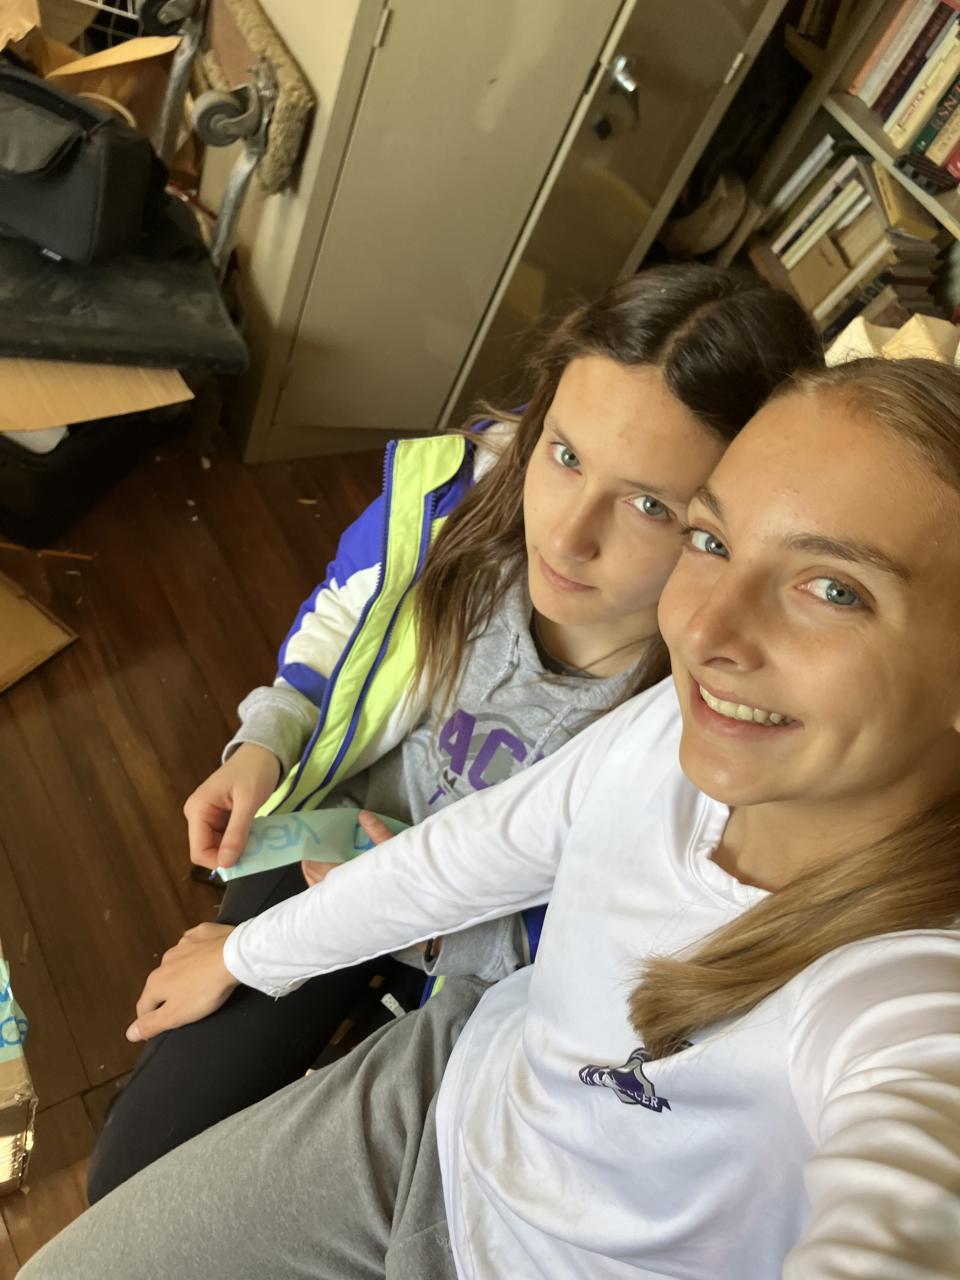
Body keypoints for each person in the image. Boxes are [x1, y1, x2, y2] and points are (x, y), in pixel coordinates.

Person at [25, 356, 960, 1280]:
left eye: (834, 590)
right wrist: (251, 913)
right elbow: (468, 842)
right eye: (713, 542)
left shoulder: (910, 997)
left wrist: (428, 943)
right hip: (443, 1090)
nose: (707, 633)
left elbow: (910, 1183)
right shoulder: (643, 712)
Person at [86, 264, 823, 1202]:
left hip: (480, 974)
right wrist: (268, 740)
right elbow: (343, 617)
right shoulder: (450, 503)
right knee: (133, 1171)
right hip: (330, 850)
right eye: (564, 455)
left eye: (651, 507)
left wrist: (437, 945)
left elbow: (624, 967)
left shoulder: (719, 728)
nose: (567, 536)